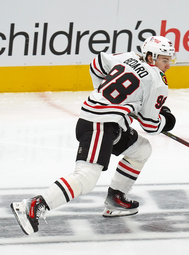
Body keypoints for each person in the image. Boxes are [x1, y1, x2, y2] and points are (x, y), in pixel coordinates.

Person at [10, 36, 176, 235]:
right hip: (101, 125)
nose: (167, 65)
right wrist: (167, 119)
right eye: (164, 60)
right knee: (86, 177)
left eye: (169, 60)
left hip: (102, 121)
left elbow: (97, 64)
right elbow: (150, 124)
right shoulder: (156, 81)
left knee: (141, 149)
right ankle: (34, 205)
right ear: (151, 56)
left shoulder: (128, 57)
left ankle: (116, 198)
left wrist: (105, 94)